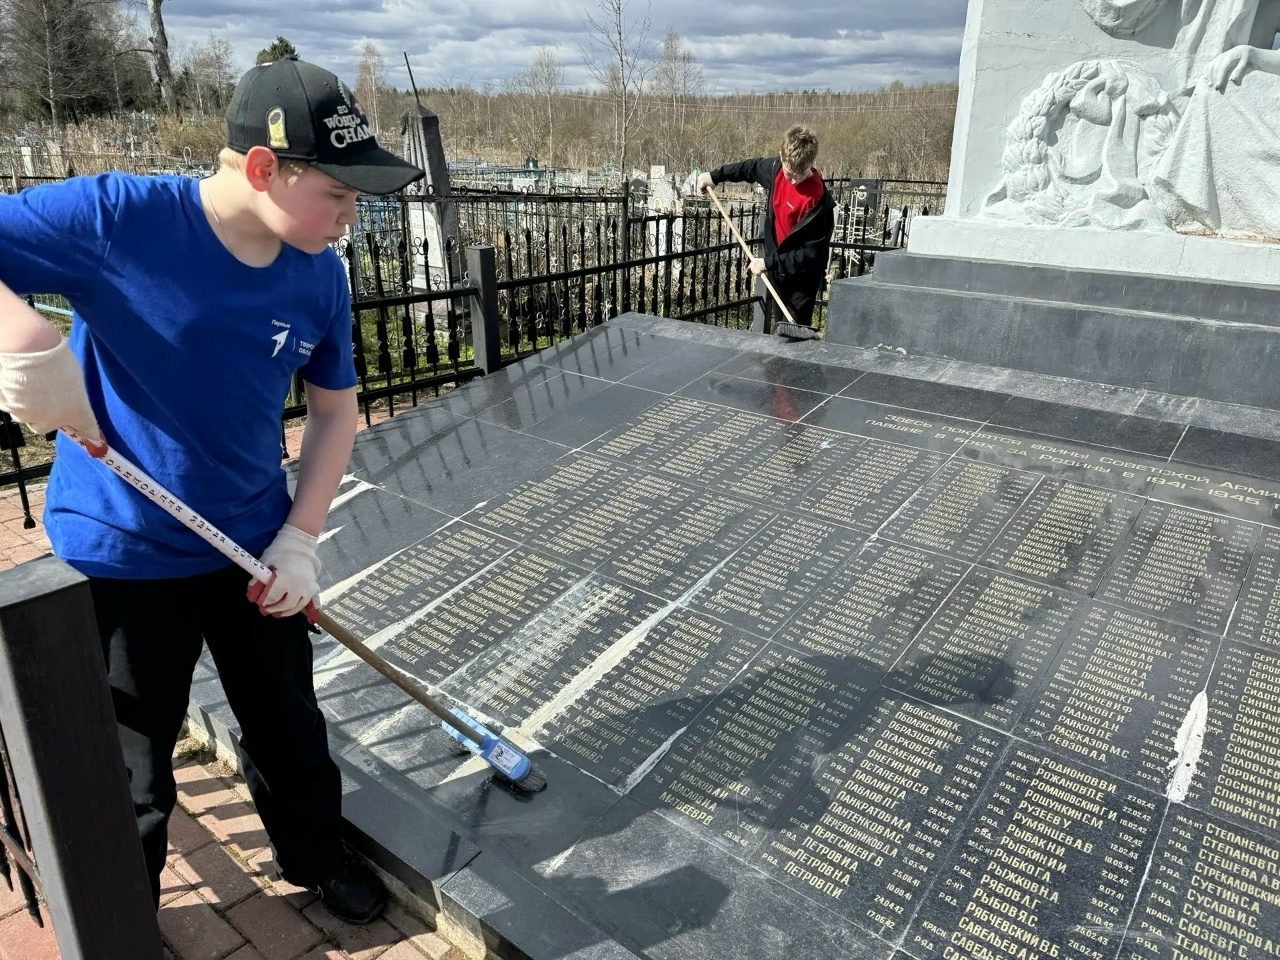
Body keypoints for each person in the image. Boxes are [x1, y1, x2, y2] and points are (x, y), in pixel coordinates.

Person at [0, 56, 424, 924]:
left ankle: (312, 856)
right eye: (339, 196)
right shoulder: (116, 219)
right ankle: (123, 914)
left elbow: (335, 414)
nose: (350, 220)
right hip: (122, 547)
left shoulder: (317, 273)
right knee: (134, 767)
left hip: (252, 544)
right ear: (266, 168)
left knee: (289, 726)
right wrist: (23, 336)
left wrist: (301, 538)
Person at [697, 125, 836, 330]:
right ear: (781, 157)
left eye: (800, 174)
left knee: (793, 331)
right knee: (781, 323)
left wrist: (768, 262)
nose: (793, 180)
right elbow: (748, 168)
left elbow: (810, 254)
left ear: (810, 165)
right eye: (790, 173)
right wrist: (714, 176)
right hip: (778, 272)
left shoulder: (818, 203)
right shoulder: (776, 170)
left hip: (802, 280)